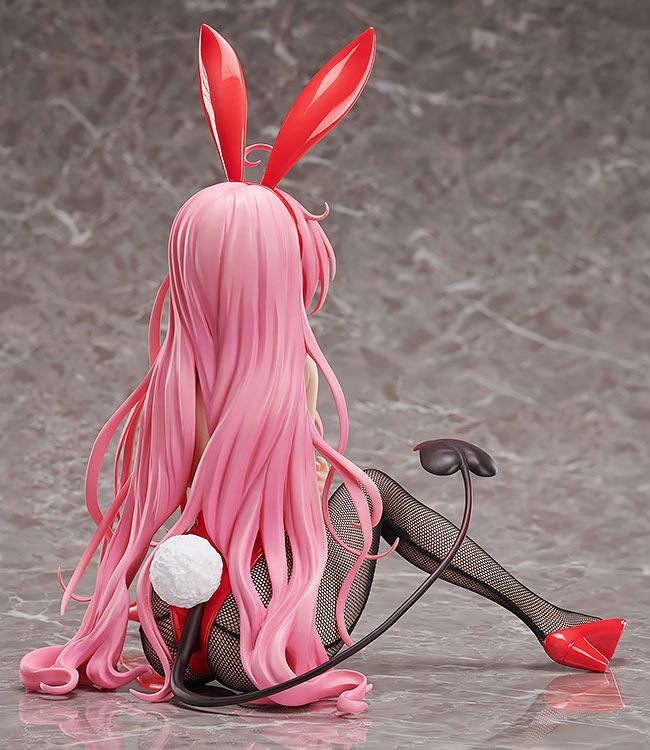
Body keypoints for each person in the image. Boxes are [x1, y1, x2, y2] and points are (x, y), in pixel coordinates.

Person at [20, 25, 625, 714]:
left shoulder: (172, 381)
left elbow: (182, 505)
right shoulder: (291, 375)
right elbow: (295, 504)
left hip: (179, 635)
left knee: (358, 489)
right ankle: (550, 620)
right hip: (254, 650)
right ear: (278, 273)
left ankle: (553, 619)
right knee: (371, 490)